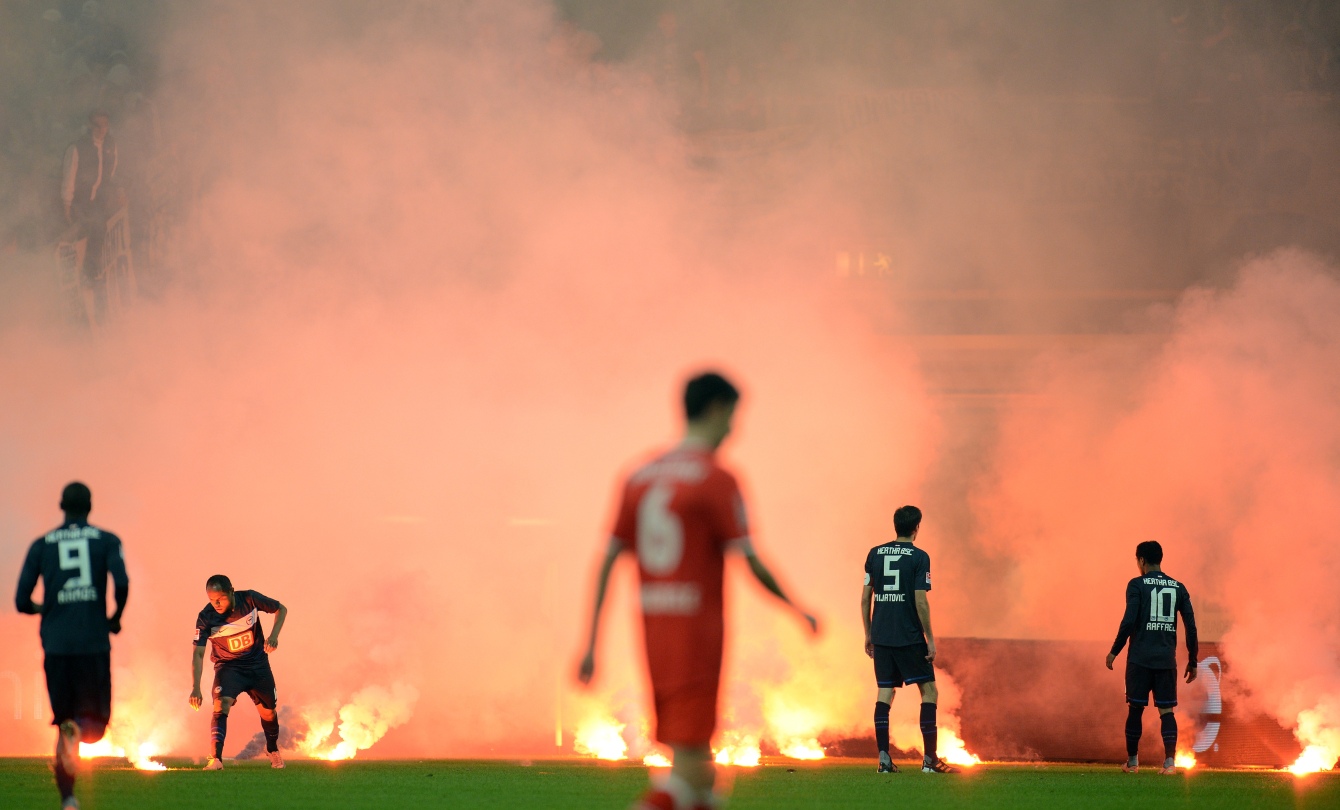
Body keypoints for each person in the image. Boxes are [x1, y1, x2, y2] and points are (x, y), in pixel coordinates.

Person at [578, 371, 818, 810]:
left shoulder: (639, 475)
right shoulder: (716, 479)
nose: (733, 428)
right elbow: (751, 561)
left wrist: (591, 643)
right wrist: (799, 609)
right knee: (689, 776)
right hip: (697, 643)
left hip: (655, 638)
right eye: (733, 415)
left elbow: (608, 560)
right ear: (716, 409)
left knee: (704, 782)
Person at [14, 482, 129, 810]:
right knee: (95, 727)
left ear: (61, 505)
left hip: (56, 645)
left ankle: (68, 799)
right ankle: (80, 729)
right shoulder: (106, 540)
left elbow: (21, 600)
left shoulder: (41, 545)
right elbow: (121, 582)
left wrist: (45, 608)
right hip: (92, 642)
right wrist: (114, 617)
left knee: (64, 719)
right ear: (90, 506)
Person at [861, 505, 958, 775]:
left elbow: (865, 597)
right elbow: (920, 600)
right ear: (917, 527)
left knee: (885, 691)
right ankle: (929, 760)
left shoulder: (875, 553)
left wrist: (869, 633)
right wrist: (930, 638)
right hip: (909, 636)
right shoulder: (919, 557)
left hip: (881, 635)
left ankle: (883, 760)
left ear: (896, 526)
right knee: (929, 691)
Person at [1106, 540, 1199, 774]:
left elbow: (1129, 621)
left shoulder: (1136, 585)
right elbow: (1191, 626)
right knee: (1167, 712)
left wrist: (1115, 650)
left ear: (1141, 561)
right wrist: (1193, 659)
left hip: (1139, 660)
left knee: (1135, 709)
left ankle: (1133, 762)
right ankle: (1169, 764)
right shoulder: (1179, 587)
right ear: (1160, 559)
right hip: (1165, 660)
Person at [188, 575, 288, 770]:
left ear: (232, 592)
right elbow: (198, 654)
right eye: (211, 599)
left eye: (221, 598)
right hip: (229, 668)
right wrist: (195, 688)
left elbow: (280, 609)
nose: (216, 603)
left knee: (269, 713)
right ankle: (216, 759)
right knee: (220, 704)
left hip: (258, 666)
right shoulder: (205, 617)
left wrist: (273, 636)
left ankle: (272, 749)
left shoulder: (249, 599)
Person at [60, 110, 119, 280]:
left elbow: (112, 170)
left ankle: (94, 272)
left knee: (101, 226)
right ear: (89, 125)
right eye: (98, 125)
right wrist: (67, 205)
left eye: (105, 125)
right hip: (82, 201)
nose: (102, 129)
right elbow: (69, 178)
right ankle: (87, 274)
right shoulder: (77, 148)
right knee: (93, 228)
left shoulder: (111, 144)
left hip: (101, 198)